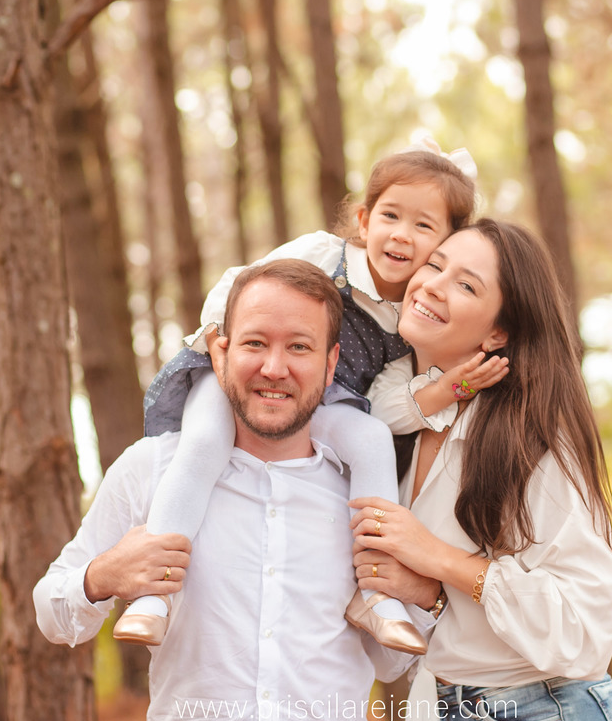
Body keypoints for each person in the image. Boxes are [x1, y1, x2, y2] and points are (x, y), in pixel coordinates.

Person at [115, 138, 508, 655]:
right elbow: (239, 284)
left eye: (423, 226)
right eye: (391, 216)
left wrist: (443, 390)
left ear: (443, 246)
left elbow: (386, 403)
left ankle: (375, 593)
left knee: (371, 440)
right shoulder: (325, 255)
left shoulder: (407, 321)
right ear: (364, 220)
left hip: (318, 400)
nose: (401, 234)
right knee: (205, 441)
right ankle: (155, 592)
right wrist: (219, 340)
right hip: (243, 372)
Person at [34, 260, 439, 721]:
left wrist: (422, 598)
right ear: (221, 351)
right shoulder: (152, 469)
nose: (274, 368)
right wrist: (101, 576)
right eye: (255, 343)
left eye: (299, 347)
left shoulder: (365, 493)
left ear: (331, 363)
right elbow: (51, 613)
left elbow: (390, 664)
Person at [351, 219, 612, 721]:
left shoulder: (533, 439)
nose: (433, 285)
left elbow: (585, 629)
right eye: (434, 265)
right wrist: (431, 591)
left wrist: (438, 558)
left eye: (466, 285)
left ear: (497, 335)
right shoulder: (393, 427)